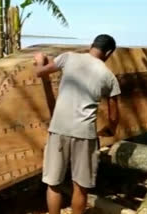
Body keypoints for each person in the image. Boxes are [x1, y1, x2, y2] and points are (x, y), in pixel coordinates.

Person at [33, 34, 121, 214]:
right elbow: (114, 115)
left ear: (91, 45)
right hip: (84, 134)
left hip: (58, 129)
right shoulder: (109, 76)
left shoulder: (68, 57)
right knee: (80, 186)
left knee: (53, 183)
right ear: (109, 52)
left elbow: (40, 72)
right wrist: (110, 129)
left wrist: (39, 60)